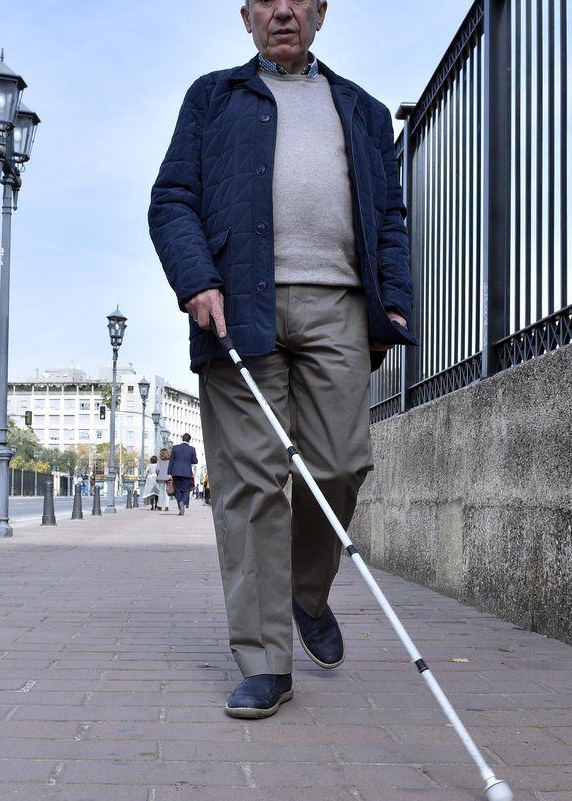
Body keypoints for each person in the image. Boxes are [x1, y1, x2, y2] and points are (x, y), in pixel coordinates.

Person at [149, 0, 416, 719]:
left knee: (340, 465)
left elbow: (390, 216)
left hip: (341, 308)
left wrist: (394, 305)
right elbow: (172, 199)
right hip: (239, 309)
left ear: (321, 13)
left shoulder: (359, 108)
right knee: (251, 487)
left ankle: (305, 590)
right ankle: (266, 661)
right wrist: (196, 280)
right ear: (247, 16)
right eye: (267, 0)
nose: (284, 11)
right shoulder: (212, 97)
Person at [168, 433, 199, 516]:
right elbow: (195, 461)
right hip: (186, 473)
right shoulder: (192, 449)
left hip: (176, 472)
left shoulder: (175, 448)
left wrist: (169, 473)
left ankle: (180, 506)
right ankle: (183, 502)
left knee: (177, 491)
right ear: (189, 440)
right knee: (186, 490)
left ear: (182, 438)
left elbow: (171, 461)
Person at [155, 447, 173, 511]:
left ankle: (159, 505)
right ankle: (167, 506)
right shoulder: (170, 461)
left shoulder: (159, 461)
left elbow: (157, 469)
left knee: (161, 492)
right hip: (168, 477)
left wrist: (157, 474)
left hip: (161, 477)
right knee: (167, 491)